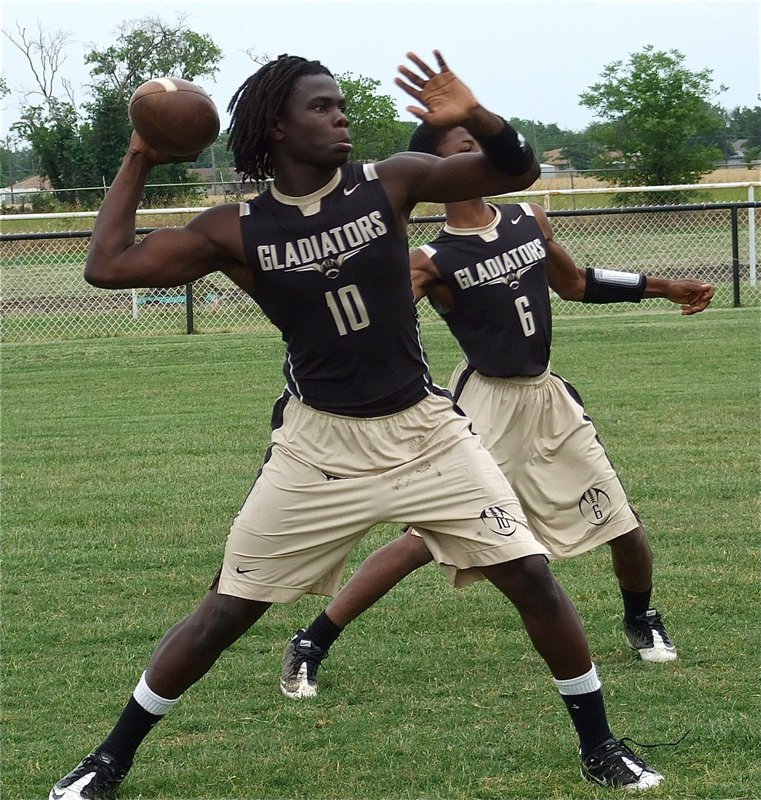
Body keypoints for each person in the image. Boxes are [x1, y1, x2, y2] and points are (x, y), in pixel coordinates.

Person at [49, 51, 664, 799]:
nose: (340, 115)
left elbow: (515, 172)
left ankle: (600, 747)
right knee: (225, 612)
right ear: (276, 124)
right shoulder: (233, 229)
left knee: (532, 577)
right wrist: (141, 154)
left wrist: (474, 115)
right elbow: (105, 268)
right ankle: (108, 760)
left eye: (340, 104)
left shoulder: (391, 181)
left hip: (424, 431)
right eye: (320, 106)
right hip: (320, 445)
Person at [280, 122, 714, 701]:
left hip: (546, 398)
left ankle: (641, 616)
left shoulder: (528, 219)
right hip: (486, 403)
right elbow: (369, 322)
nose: (482, 152)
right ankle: (312, 641)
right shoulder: (430, 260)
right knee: (423, 540)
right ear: (437, 168)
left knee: (623, 525)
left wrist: (662, 287)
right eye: (465, 147)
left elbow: (577, 283)